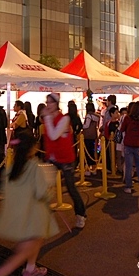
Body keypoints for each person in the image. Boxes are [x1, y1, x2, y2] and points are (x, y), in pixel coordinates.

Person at [0, 129, 58, 276]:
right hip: (33, 217)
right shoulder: (34, 167)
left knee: (36, 241)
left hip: (18, 216)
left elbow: (5, 190)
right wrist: (51, 191)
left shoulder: (11, 169)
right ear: (32, 148)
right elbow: (42, 192)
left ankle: (30, 268)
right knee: (22, 252)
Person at [41, 93, 86, 229]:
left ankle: (81, 215)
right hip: (52, 158)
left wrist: (47, 117)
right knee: (44, 187)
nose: (48, 105)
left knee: (71, 188)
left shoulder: (64, 119)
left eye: (51, 102)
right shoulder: (48, 118)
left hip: (66, 158)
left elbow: (54, 135)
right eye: (47, 102)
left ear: (57, 104)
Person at [120, 101, 139, 194]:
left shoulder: (127, 119)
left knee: (128, 166)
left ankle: (128, 186)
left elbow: (121, 129)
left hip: (128, 144)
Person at [82, 103, 100, 175]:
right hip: (94, 135)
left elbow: (86, 126)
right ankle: (94, 168)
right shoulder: (96, 116)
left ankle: (88, 169)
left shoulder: (88, 116)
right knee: (93, 152)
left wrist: (81, 126)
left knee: (88, 153)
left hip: (87, 136)